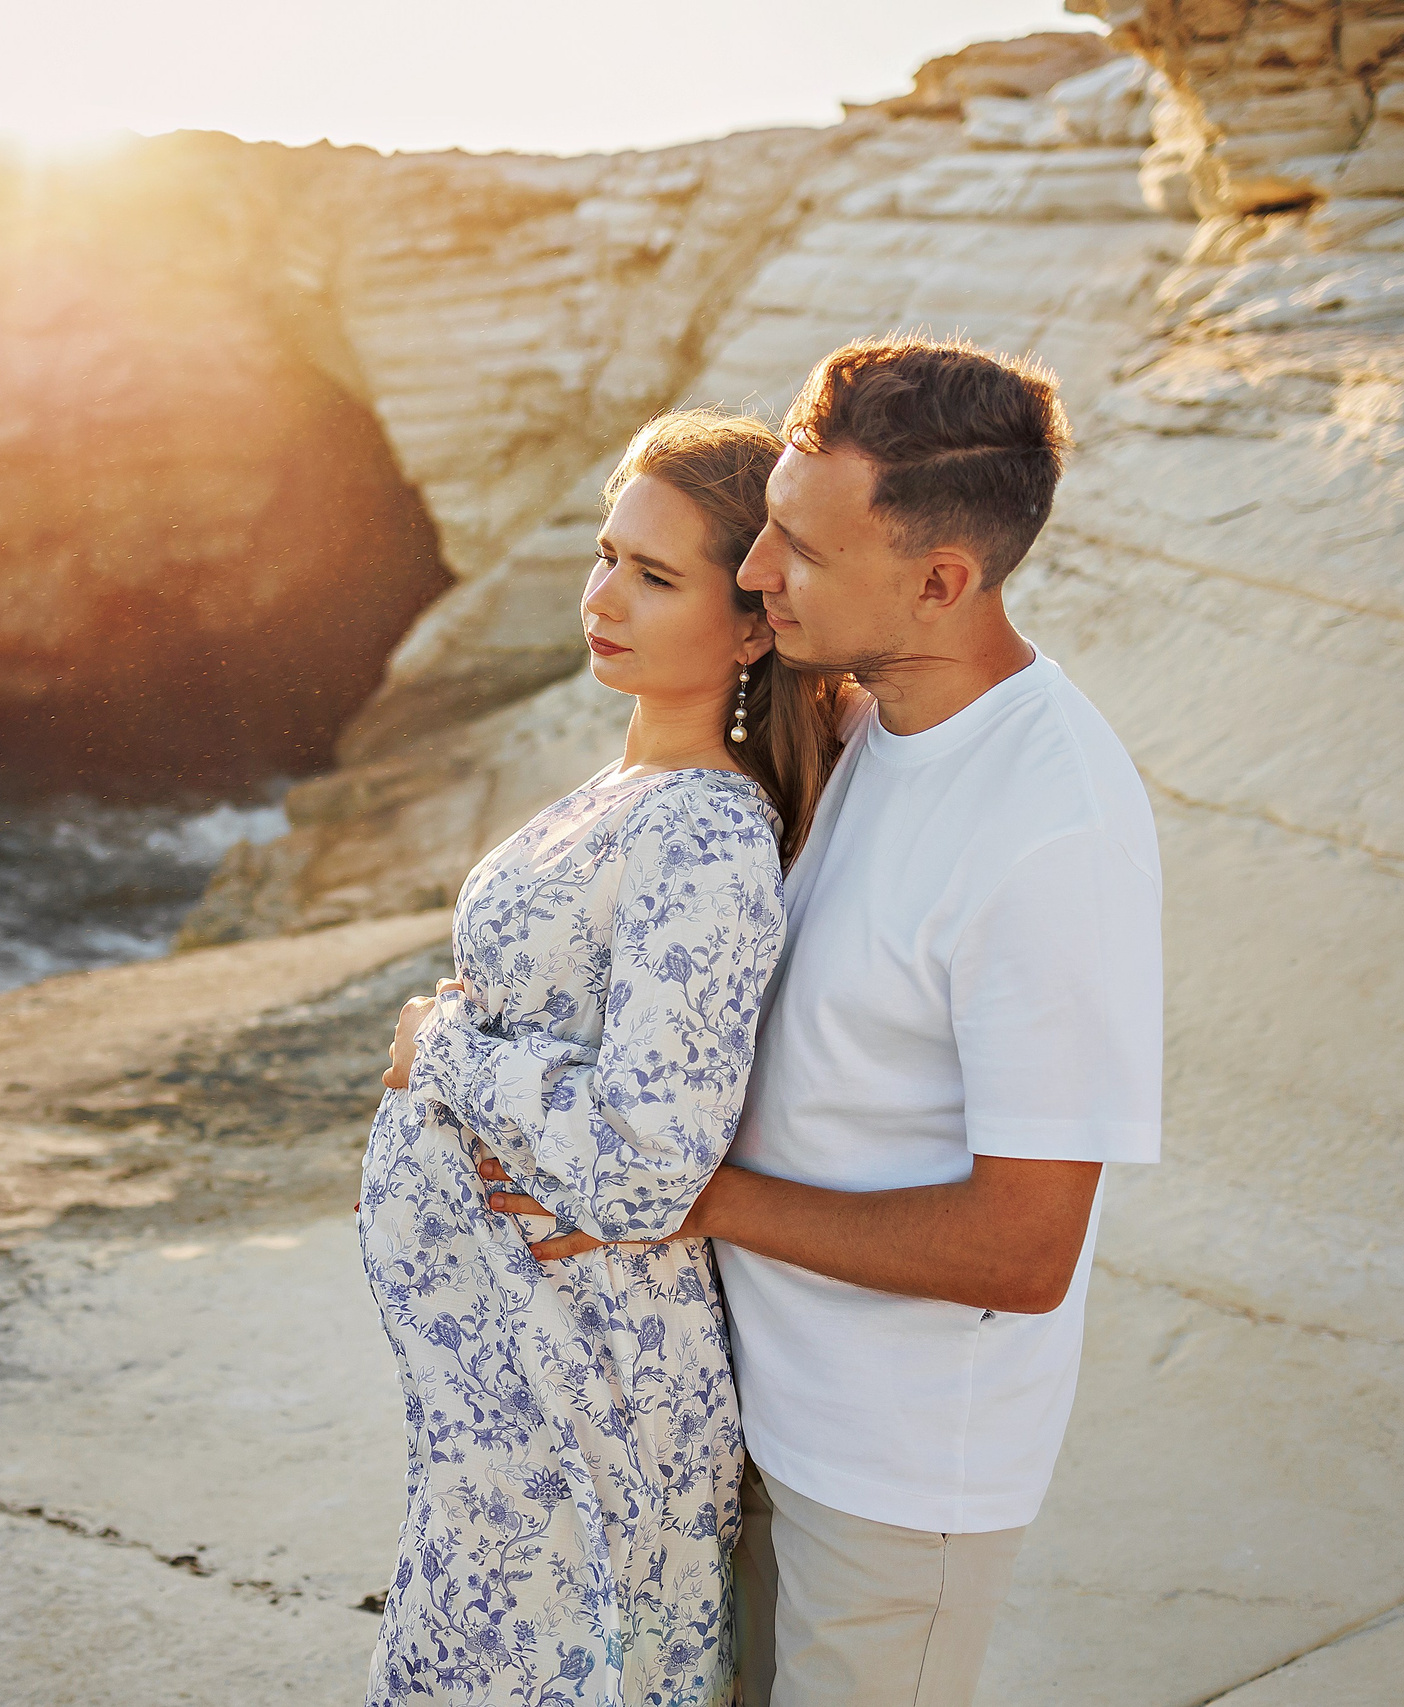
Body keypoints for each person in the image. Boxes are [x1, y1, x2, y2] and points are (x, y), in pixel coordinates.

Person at [484, 337, 1163, 1707]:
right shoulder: (865, 719)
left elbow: (1024, 1250)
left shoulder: (1049, 833)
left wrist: (701, 1202)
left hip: (895, 1471)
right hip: (747, 1403)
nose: (753, 573)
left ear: (941, 581)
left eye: (795, 545)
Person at [361, 409, 851, 1706]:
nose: (602, 597)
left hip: (589, 1402)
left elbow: (640, 1169)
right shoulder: (631, 786)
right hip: (516, 1395)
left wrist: (449, 1043)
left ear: (754, 621)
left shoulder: (703, 833)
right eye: (602, 555)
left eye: (654, 574)